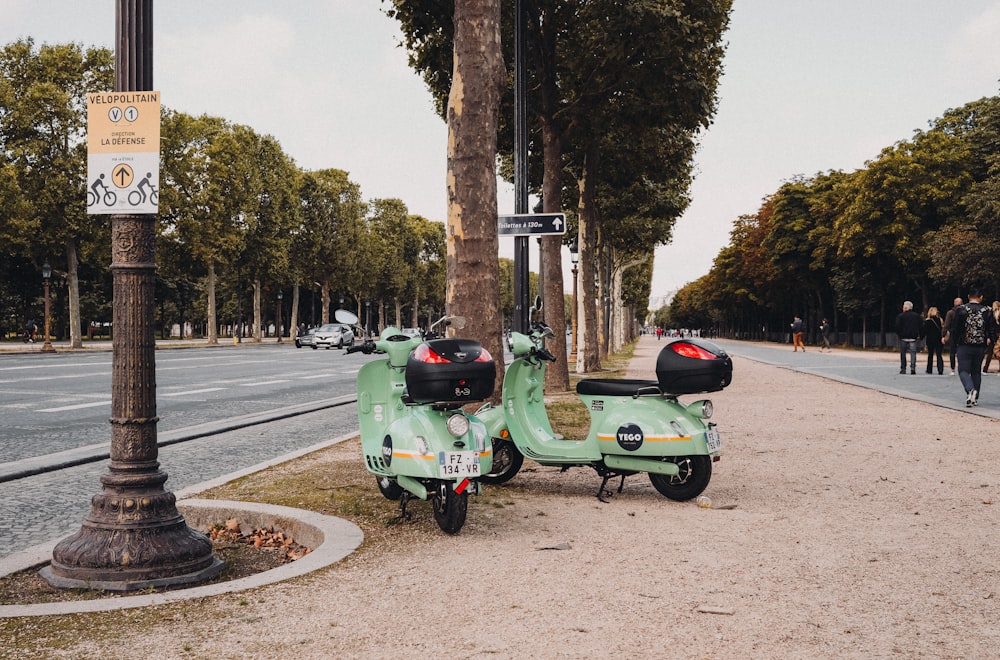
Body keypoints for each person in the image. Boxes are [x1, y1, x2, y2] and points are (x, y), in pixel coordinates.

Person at [953, 286, 997, 407]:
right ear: (981, 297)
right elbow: (991, 329)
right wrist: (993, 343)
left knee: (963, 370)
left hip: (964, 344)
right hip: (980, 345)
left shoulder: (961, 309)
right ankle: (975, 397)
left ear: (968, 297)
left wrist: (954, 343)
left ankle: (969, 389)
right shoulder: (987, 310)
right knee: (976, 371)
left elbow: (956, 329)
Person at [895, 301, 923, 374]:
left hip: (903, 337)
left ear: (905, 307)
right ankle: (913, 367)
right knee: (913, 353)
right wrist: (919, 335)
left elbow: (897, 327)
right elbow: (921, 326)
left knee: (903, 353)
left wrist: (899, 335)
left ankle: (903, 368)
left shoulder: (900, 316)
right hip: (913, 337)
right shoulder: (916, 316)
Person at [942, 297, 963, 375]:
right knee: (962, 352)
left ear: (954, 303)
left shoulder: (950, 313)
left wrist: (943, 335)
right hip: (962, 334)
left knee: (952, 352)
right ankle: (962, 368)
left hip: (953, 334)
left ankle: (953, 369)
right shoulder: (965, 312)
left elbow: (946, 324)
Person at [923, 307, 944, 375]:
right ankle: (940, 369)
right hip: (938, 339)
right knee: (939, 355)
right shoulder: (940, 320)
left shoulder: (927, 321)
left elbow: (925, 331)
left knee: (930, 355)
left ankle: (929, 369)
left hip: (930, 340)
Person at [981, 301, 1000, 373]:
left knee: (990, 353)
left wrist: (988, 336)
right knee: (998, 352)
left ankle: (985, 368)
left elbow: (989, 326)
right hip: (999, 335)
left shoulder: (990, 314)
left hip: (992, 335)